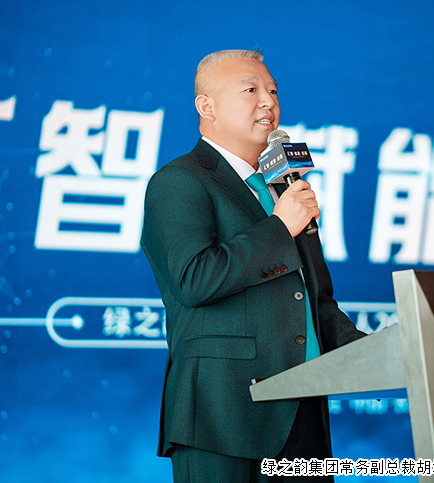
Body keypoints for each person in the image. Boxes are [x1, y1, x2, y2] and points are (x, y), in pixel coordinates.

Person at [140, 49, 366, 482]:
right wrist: (280, 227)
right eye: (251, 90)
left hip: (302, 415)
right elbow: (195, 278)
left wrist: (374, 353)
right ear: (206, 106)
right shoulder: (180, 180)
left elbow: (314, 302)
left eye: (273, 91)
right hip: (222, 417)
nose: (268, 101)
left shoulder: (281, 188)